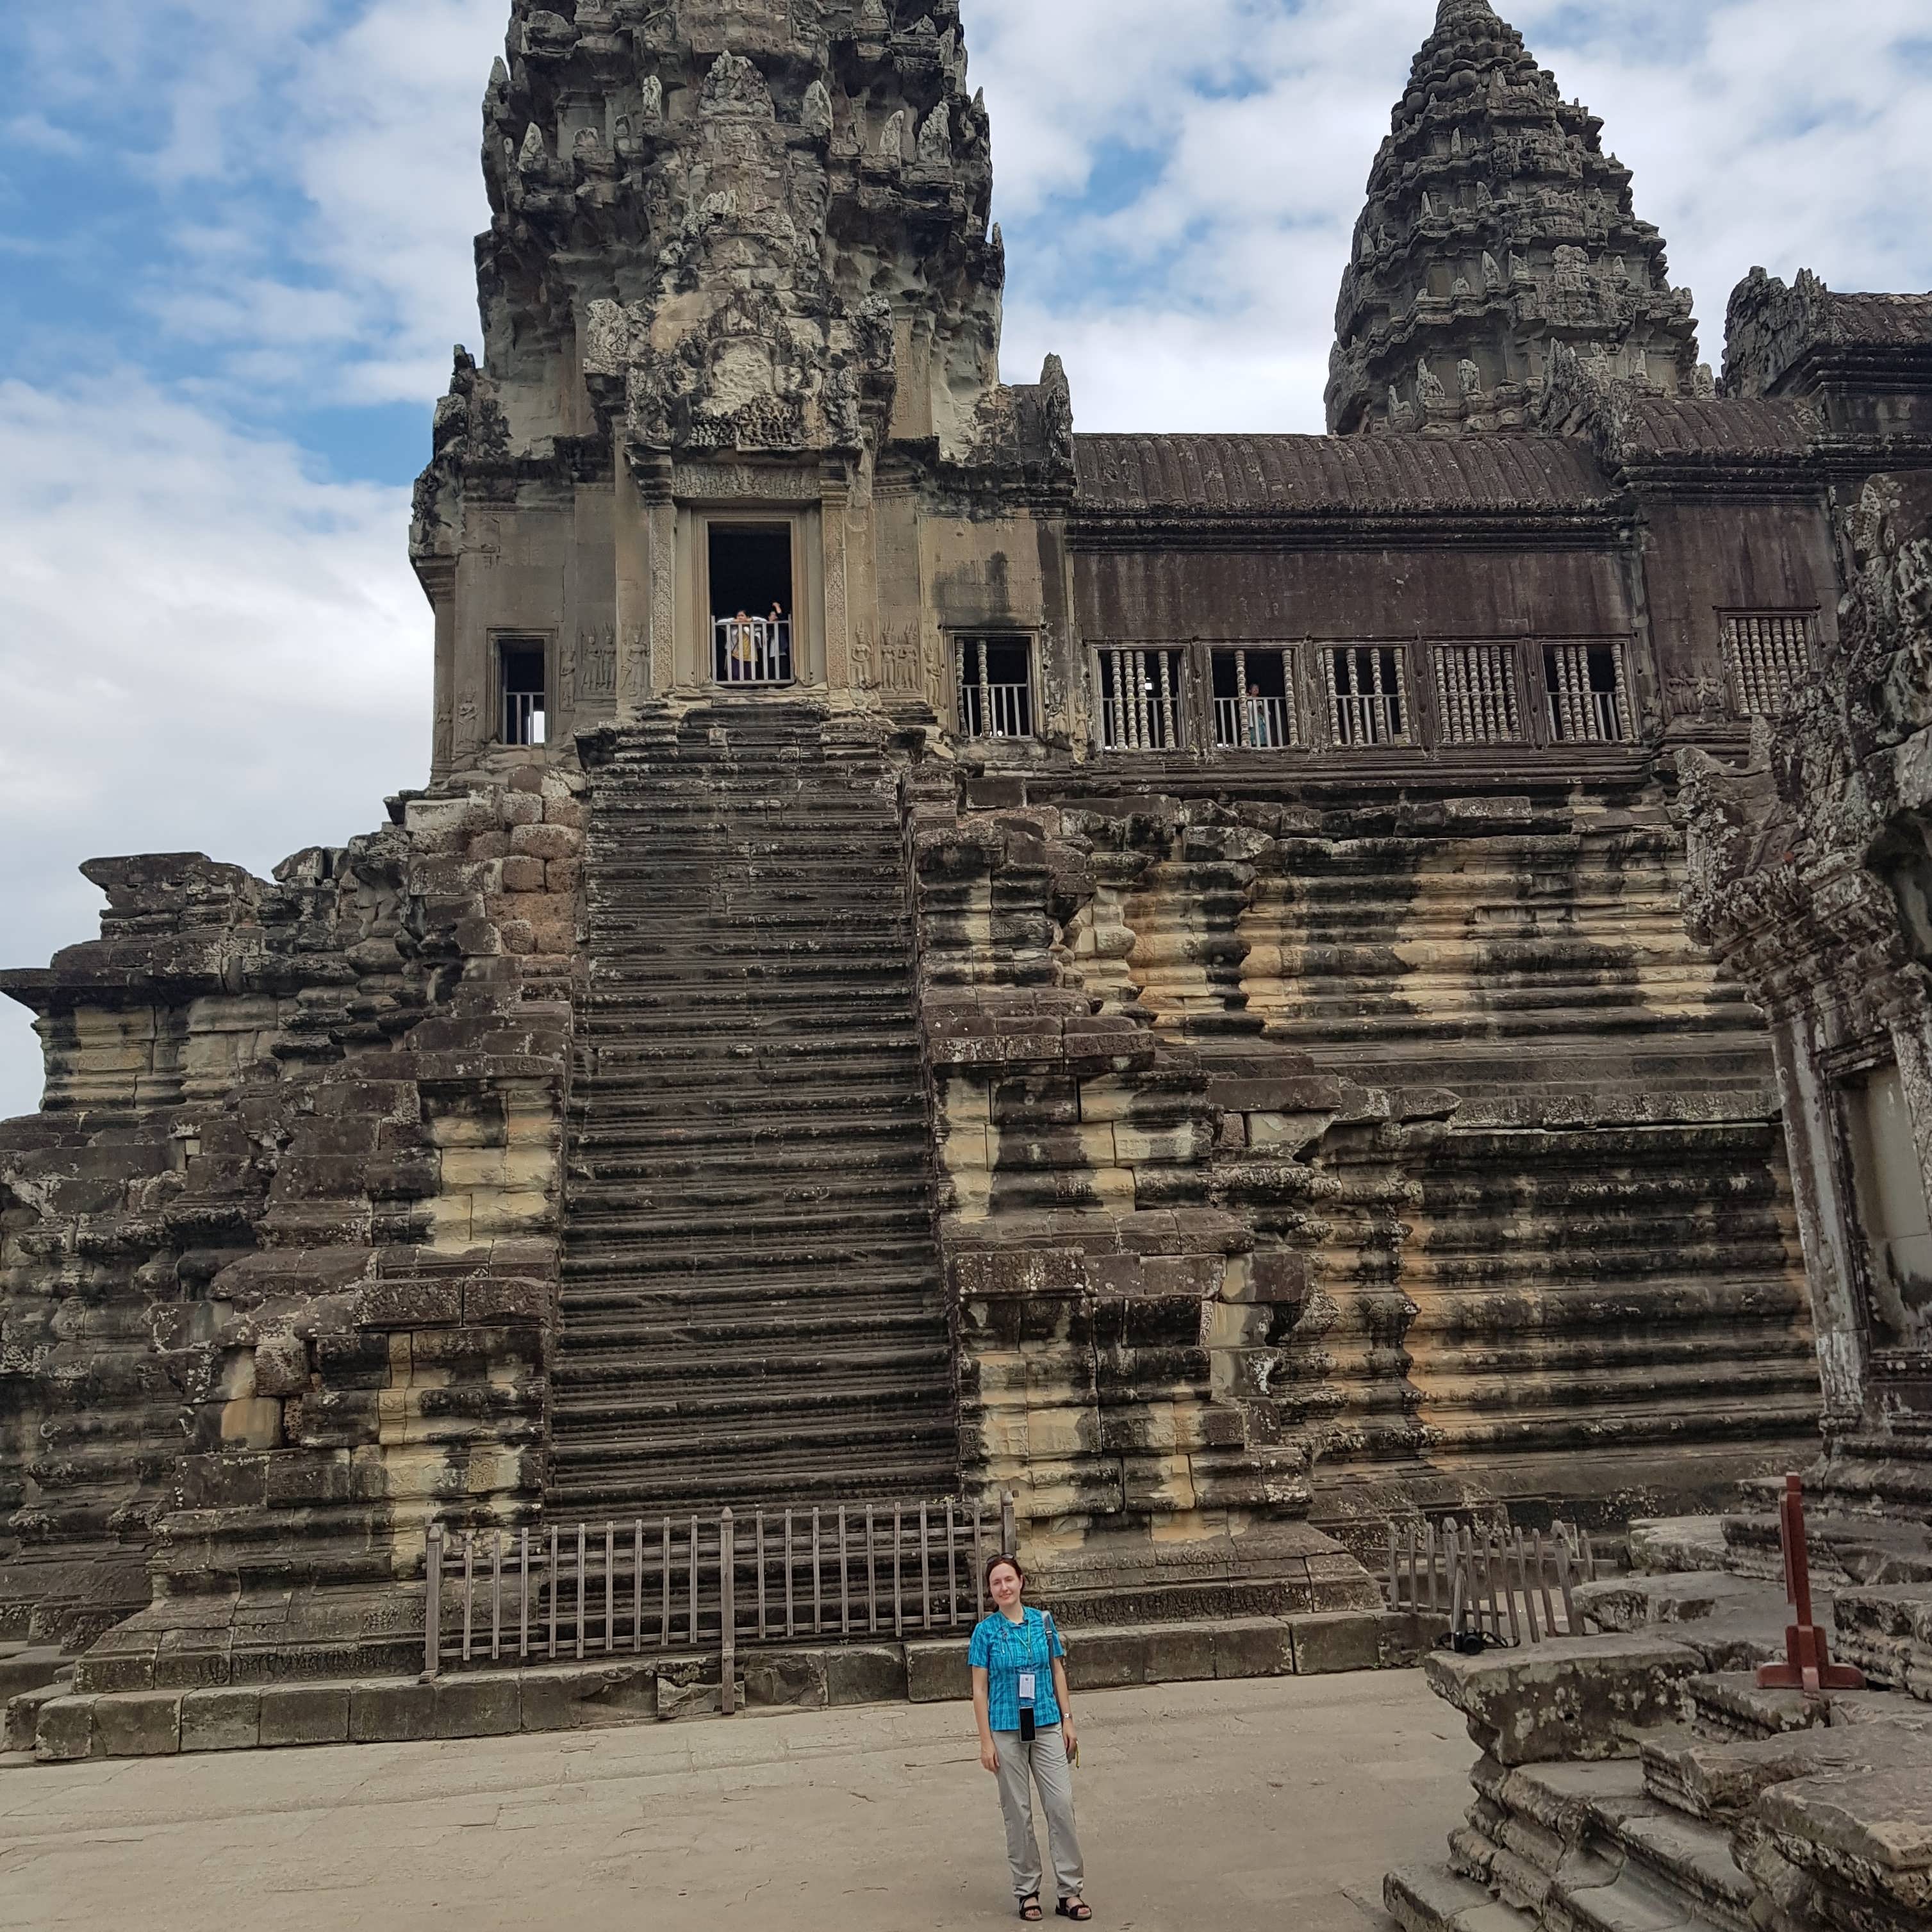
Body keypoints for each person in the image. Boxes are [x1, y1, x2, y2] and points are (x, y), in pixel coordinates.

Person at [970, 1555, 1091, 1922]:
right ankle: (1027, 1891)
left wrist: (1068, 1720)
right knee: (1018, 1812)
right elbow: (979, 1690)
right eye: (996, 1583)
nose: (1004, 1588)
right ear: (990, 1591)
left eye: (1009, 1579)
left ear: (1021, 1581)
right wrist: (985, 1741)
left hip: (1046, 1723)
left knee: (1061, 1804)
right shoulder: (985, 1632)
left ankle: (1070, 1890)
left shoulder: (1044, 1623)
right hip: (1006, 1728)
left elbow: (1057, 1671)